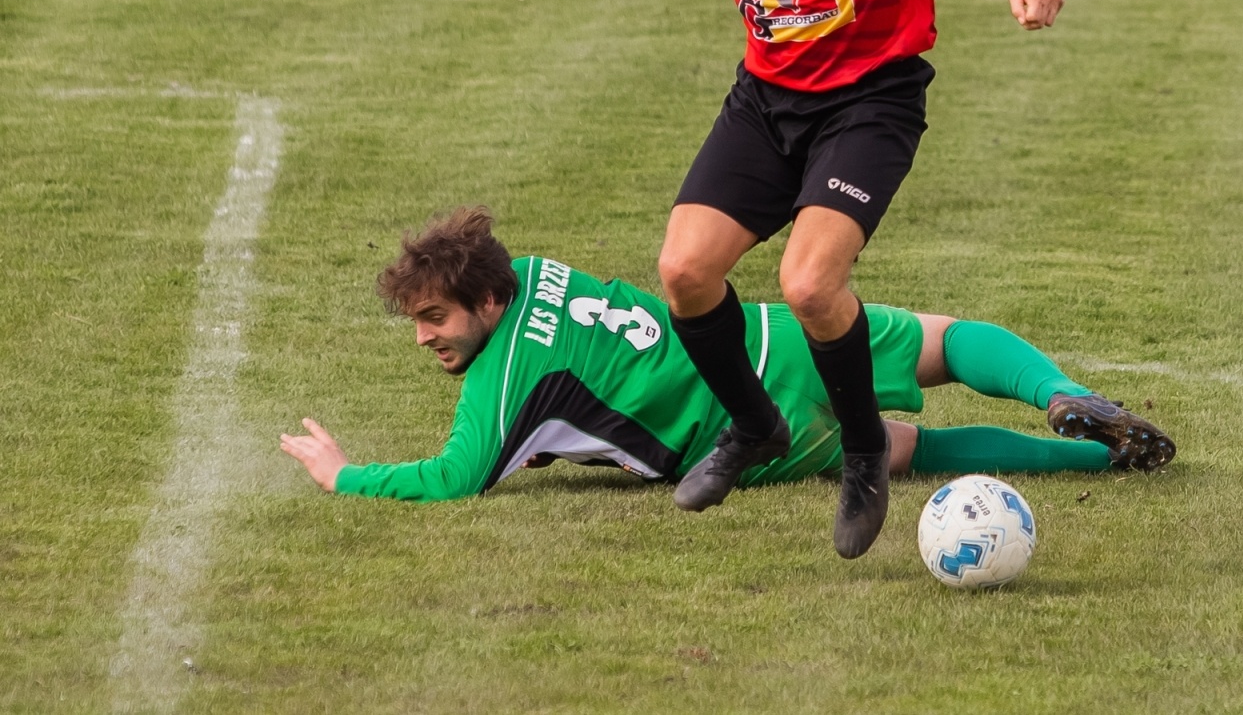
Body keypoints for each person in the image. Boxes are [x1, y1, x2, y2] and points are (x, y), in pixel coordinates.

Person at [660, 0, 1067, 557]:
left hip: (870, 101)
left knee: (810, 283)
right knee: (683, 272)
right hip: (767, 98)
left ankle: (864, 451)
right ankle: (753, 427)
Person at [280, 209, 1174, 512]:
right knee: (944, 341)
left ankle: (1095, 456)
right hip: (766, 335)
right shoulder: (539, 272)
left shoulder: (506, 375)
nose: (425, 337)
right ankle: (1068, 396)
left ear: (485, 303)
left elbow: (454, 477)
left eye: (434, 317)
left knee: (899, 448)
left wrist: (344, 475)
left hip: (751, 432)